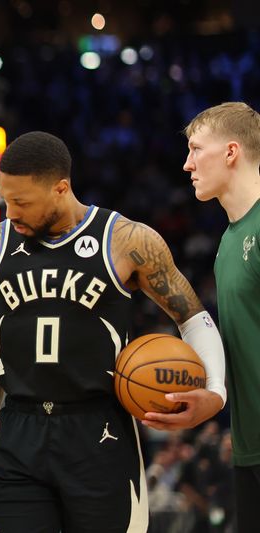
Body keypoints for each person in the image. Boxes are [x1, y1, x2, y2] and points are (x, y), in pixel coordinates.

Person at [0, 131, 227, 533]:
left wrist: (214, 390)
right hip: (19, 430)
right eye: (5, 199)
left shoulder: (126, 239)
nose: (10, 212)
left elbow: (193, 318)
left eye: (21, 202)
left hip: (99, 432)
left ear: (60, 189)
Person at [183, 101, 260, 532]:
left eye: (196, 149)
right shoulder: (230, 241)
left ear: (231, 152)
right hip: (249, 446)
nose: (187, 163)